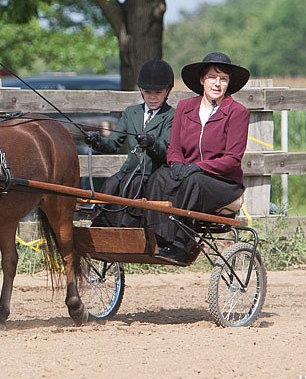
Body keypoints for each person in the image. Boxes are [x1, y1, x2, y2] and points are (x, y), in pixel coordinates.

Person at [145, 52, 251, 266]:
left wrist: (197, 167)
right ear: (202, 80)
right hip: (187, 173)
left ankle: (180, 245)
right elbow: (174, 148)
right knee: (159, 177)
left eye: (223, 79)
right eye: (212, 77)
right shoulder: (185, 108)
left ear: (228, 83)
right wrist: (176, 165)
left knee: (193, 182)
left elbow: (232, 159)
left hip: (223, 182)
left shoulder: (237, 112)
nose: (217, 83)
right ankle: (157, 239)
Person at [83, 59, 175, 227]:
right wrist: (97, 142)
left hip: (151, 175)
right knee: (110, 187)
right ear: (141, 90)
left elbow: (166, 149)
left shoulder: (171, 115)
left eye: (158, 92)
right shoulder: (131, 113)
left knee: (132, 187)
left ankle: (129, 234)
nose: (152, 97)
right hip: (128, 172)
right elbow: (112, 144)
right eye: (147, 92)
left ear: (168, 90)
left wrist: (152, 143)